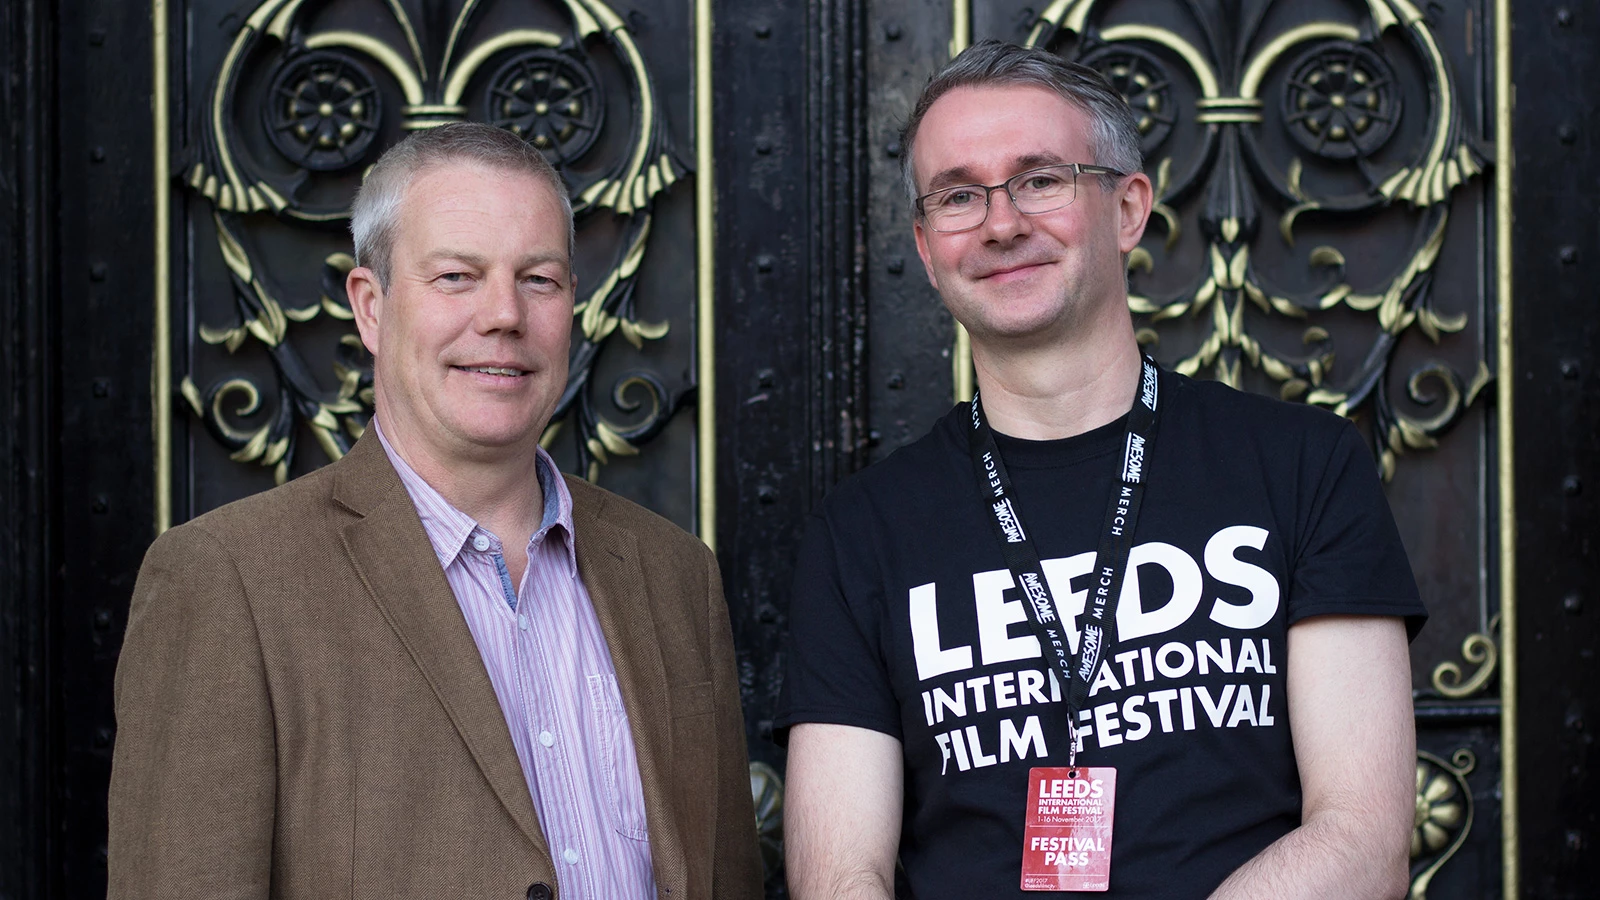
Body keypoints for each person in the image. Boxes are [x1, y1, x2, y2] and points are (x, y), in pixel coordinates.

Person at [777, 40, 1424, 899]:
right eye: (959, 196)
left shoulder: (1304, 466)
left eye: (1041, 179)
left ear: (1128, 208)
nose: (1002, 223)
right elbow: (838, 876)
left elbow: (1363, 836)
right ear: (928, 250)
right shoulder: (860, 533)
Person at [109, 123, 763, 900]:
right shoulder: (228, 582)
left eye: (540, 279)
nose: (503, 315)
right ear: (372, 306)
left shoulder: (677, 575)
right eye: (456, 276)